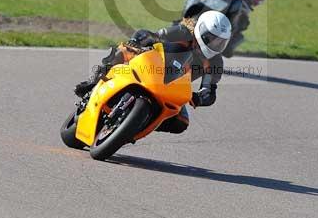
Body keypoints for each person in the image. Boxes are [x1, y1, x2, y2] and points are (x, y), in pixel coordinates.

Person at [74, 11, 232, 133]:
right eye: (211, 38)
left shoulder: (215, 62)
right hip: (149, 66)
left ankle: (137, 124)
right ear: (201, 30)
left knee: (181, 123)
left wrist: (198, 98)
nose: (215, 44)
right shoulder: (182, 32)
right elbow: (150, 35)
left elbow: (209, 91)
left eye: (220, 42)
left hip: (170, 88)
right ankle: (94, 82)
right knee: (125, 50)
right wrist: (137, 42)